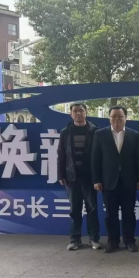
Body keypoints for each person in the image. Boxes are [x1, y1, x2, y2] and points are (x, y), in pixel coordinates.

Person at [92, 106, 139, 253]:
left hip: (129, 181)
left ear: (126, 118)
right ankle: (113, 242)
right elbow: (95, 159)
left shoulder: (134, 135)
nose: (117, 119)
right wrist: (96, 180)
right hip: (108, 182)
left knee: (129, 213)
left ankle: (130, 241)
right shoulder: (100, 134)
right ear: (109, 118)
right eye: (114, 116)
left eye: (120, 116)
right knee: (110, 214)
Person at [57, 102, 100, 251]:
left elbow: (99, 155)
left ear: (86, 112)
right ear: (71, 114)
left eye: (81, 111)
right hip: (72, 177)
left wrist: (98, 177)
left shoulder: (94, 131)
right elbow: (61, 154)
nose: (78, 113)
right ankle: (75, 239)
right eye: (75, 111)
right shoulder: (66, 132)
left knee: (92, 209)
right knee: (75, 209)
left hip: (90, 177)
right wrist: (61, 174)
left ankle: (94, 238)